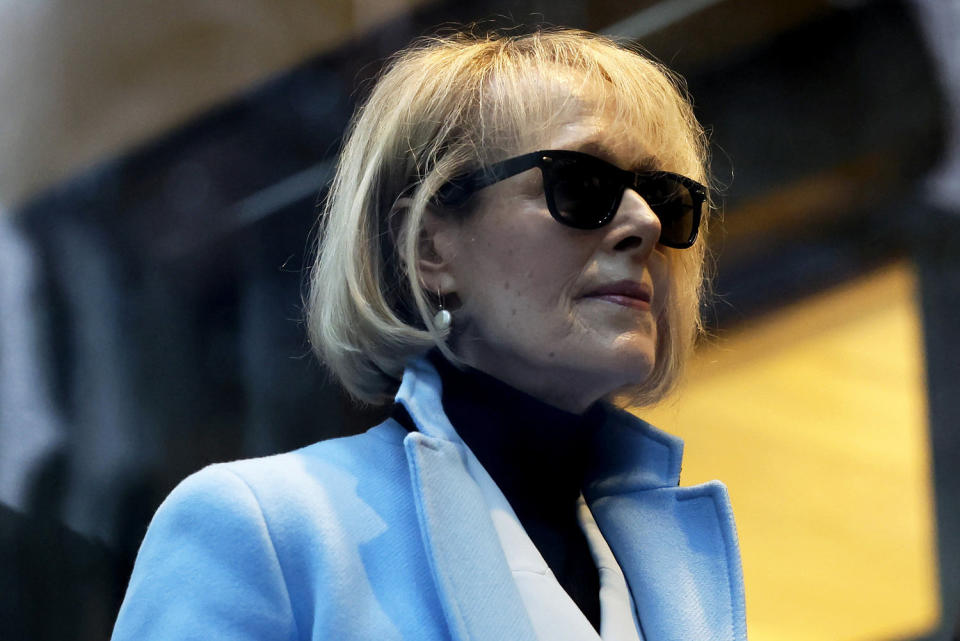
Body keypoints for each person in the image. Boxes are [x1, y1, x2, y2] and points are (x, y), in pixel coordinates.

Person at [111, 28, 746, 641]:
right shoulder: (266, 530)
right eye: (581, 184)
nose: (645, 222)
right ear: (429, 247)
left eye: (666, 197)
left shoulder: (675, 578)